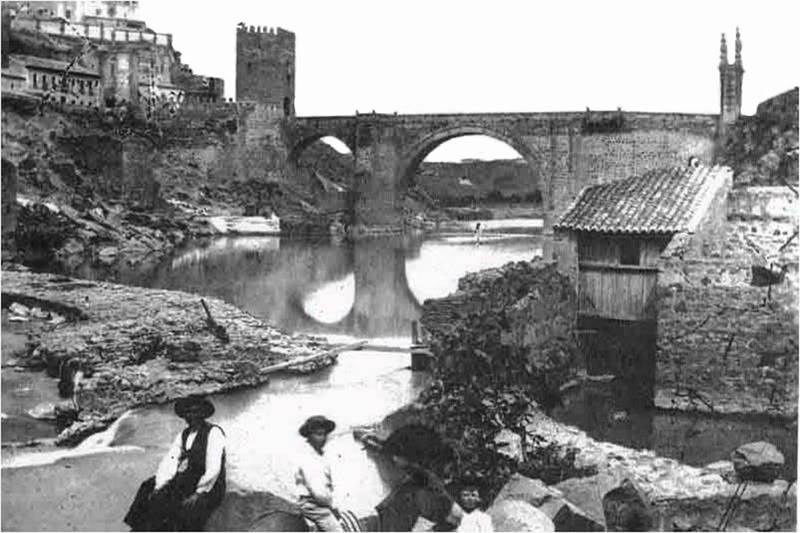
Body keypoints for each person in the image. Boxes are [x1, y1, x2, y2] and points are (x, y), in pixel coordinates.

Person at [124, 395, 226, 531]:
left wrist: (199, 492)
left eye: (194, 412)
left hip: (210, 484)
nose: (190, 416)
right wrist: (160, 484)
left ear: (202, 414)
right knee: (148, 487)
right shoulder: (183, 435)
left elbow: (213, 468)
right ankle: (138, 528)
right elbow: (170, 460)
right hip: (189, 477)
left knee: (176, 505)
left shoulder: (214, 433)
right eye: (187, 413)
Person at [296, 415, 343, 531]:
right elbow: (319, 492)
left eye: (324, 434)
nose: (322, 438)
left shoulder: (317, 455)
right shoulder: (309, 458)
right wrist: (332, 505)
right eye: (318, 434)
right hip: (314, 505)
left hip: (317, 503)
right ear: (309, 436)